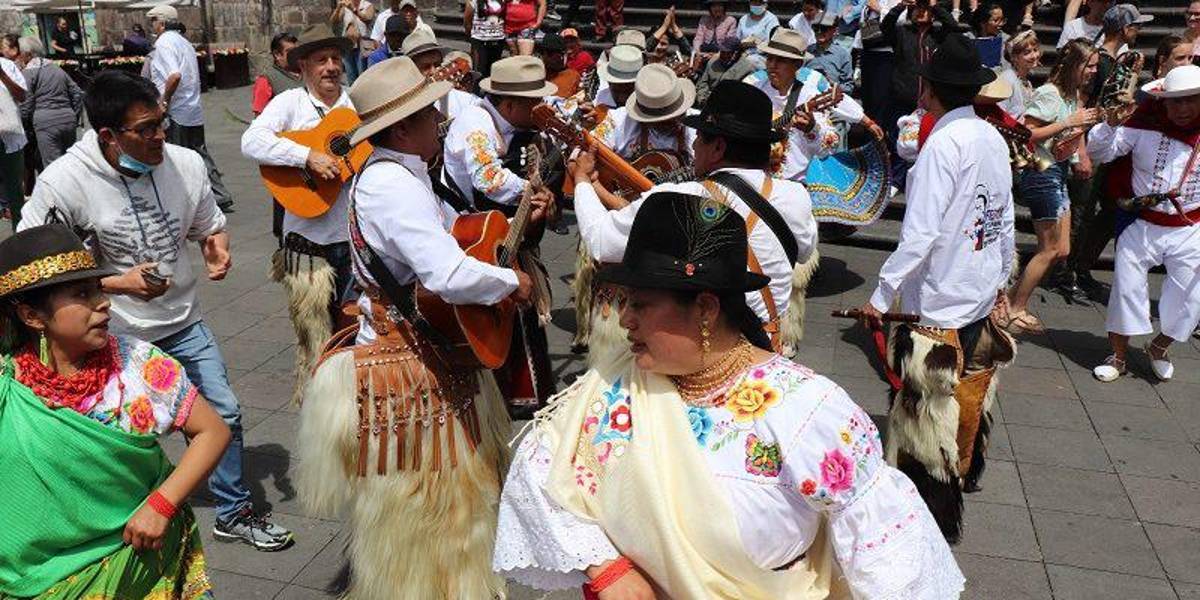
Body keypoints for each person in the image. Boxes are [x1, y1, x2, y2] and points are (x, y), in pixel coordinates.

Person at [494, 189, 963, 599]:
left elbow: (893, 560)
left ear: (705, 307)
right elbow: (540, 473)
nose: (624, 321)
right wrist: (607, 568)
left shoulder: (808, 412)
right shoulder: (614, 382)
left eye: (640, 305)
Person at [296, 54, 540, 599]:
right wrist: (511, 284)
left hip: (414, 348)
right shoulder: (392, 185)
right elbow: (447, 272)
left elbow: (456, 233)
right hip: (406, 361)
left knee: (434, 500)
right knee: (429, 503)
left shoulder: (401, 177)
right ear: (402, 127)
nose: (441, 122)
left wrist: (508, 227)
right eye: (431, 115)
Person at [19, 70, 293, 551]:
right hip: (112, 331)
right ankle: (116, 523)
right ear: (108, 136)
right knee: (118, 431)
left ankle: (232, 510)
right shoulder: (64, 181)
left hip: (183, 320)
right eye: (145, 129)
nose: (160, 136)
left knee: (221, 414)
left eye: (161, 123)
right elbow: (33, 265)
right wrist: (113, 283)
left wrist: (216, 247)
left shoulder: (185, 164)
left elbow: (210, 225)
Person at [0, 224, 231, 599]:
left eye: (98, 290)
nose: (103, 303)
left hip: (139, 565)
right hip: (35, 582)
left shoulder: (138, 365)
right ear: (32, 316)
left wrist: (162, 503)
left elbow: (213, 431)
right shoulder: (8, 383)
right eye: (81, 294)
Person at [857, 34, 1016, 543]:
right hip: (976, 286)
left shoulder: (942, 145)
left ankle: (926, 510)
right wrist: (1002, 276)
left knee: (926, 408)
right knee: (968, 392)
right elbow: (1003, 218)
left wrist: (881, 296)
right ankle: (964, 471)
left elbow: (920, 233)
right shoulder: (991, 136)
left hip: (942, 298)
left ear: (926, 89)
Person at [574, 80, 819, 362]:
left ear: (718, 147)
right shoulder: (796, 196)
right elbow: (804, 250)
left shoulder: (675, 197)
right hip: (765, 354)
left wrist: (582, 182)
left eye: (700, 137)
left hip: (698, 359)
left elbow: (600, 242)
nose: (694, 144)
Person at [241, 24, 356, 408]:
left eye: (336, 59)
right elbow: (251, 140)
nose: (331, 67)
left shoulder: (355, 105)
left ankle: (355, 409)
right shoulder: (290, 103)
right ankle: (322, 413)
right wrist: (306, 156)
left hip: (354, 239)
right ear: (303, 66)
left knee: (355, 334)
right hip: (308, 245)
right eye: (321, 60)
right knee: (315, 340)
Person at [442, 55, 559, 411]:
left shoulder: (513, 125)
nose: (539, 108)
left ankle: (522, 392)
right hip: (473, 237)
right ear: (508, 104)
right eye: (532, 103)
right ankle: (495, 396)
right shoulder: (476, 124)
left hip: (501, 233)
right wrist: (533, 189)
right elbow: (488, 179)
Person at [1088, 65, 1200, 384]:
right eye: (1175, 101)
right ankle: (1118, 355)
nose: (1183, 108)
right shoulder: (1140, 125)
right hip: (1142, 223)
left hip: (1190, 226)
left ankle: (1159, 347)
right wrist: (1110, 124)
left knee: (1192, 297)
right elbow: (1100, 152)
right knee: (1126, 287)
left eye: (1191, 100)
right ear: (1162, 102)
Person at [1003, 40, 1098, 334]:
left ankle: (1007, 301)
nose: (1094, 71)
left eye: (1095, 65)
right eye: (1089, 65)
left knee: (1062, 249)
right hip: (1040, 172)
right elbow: (1027, 133)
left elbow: (1069, 133)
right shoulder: (1049, 93)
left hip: (1057, 172)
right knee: (1049, 248)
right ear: (1073, 65)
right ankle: (1014, 309)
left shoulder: (1071, 96)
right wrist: (1070, 121)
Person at [146, 4, 235, 213]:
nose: (152, 24)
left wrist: (164, 101)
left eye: (153, 20)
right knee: (200, 154)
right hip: (192, 108)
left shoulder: (164, 43)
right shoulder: (183, 42)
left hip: (177, 110)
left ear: (161, 22)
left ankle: (184, 200)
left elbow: (174, 75)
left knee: (177, 158)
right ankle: (220, 195)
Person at [747, 28, 840, 183]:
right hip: (754, 181)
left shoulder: (810, 97)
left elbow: (831, 147)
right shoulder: (754, 90)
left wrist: (811, 129)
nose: (772, 65)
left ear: (797, 64)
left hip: (792, 185)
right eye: (770, 58)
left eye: (781, 60)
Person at [16, 36, 83, 169]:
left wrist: (23, 123)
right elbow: (77, 93)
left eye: (20, 53)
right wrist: (72, 114)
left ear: (27, 54)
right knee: (69, 164)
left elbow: (26, 102)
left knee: (53, 168)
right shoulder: (56, 68)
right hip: (68, 119)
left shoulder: (29, 72)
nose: (18, 57)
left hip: (45, 122)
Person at [0, 39, 26, 228]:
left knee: (14, 189)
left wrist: (2, 75)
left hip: (9, 138)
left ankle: (20, 233)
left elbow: (22, 95)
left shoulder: (8, 66)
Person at [695, 35, 757, 106]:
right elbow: (703, 82)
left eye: (726, 53)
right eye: (721, 51)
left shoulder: (747, 69)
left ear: (735, 53)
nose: (722, 55)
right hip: (707, 101)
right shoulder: (712, 62)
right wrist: (702, 99)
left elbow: (742, 96)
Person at [251, 32, 300, 117]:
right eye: (290, 51)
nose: (295, 54)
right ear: (277, 55)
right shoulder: (266, 80)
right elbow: (259, 116)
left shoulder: (306, 71)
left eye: (297, 50)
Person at [808, 11, 856, 94]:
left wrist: (832, 85)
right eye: (816, 28)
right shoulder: (807, 51)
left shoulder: (843, 55)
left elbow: (849, 87)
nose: (819, 32)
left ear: (835, 31)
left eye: (824, 29)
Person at [330, 0, 375, 84]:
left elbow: (368, 18)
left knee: (362, 75)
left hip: (363, 46)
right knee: (350, 75)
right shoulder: (344, 7)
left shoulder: (367, 5)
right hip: (348, 45)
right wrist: (338, 7)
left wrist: (353, 9)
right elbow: (334, 21)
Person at [997, 29, 1038, 119]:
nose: (1034, 56)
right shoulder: (1008, 79)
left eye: (1035, 50)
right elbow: (999, 113)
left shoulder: (1026, 82)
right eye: (1027, 53)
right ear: (1014, 57)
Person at [464, 0, 507, 77]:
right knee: (479, 71)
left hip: (498, 40)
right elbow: (467, 22)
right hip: (480, 40)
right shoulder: (473, 2)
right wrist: (473, 37)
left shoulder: (503, 1)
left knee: (494, 70)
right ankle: (475, 88)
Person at [694, 0, 738, 71]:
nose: (717, 8)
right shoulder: (704, 20)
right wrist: (698, 52)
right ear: (710, 8)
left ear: (724, 7)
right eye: (714, 6)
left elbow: (729, 43)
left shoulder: (731, 21)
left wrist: (716, 55)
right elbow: (698, 38)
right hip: (704, 52)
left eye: (720, 6)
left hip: (721, 54)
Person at [539, 32, 580, 97]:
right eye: (550, 54)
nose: (559, 58)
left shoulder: (573, 76)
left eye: (562, 54)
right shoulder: (536, 73)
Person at [969, 3, 1006, 69]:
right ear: (982, 23)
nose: (1001, 24)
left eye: (1002, 20)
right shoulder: (967, 40)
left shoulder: (1005, 40)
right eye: (996, 20)